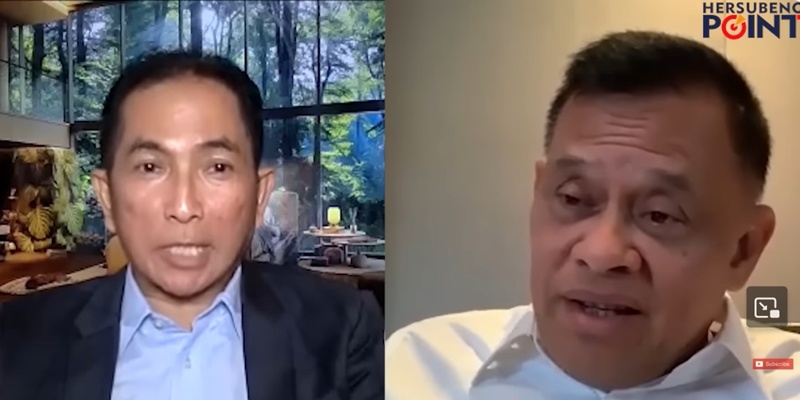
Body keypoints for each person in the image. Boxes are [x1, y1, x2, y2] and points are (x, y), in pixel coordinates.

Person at [386, 30, 800, 399]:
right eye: (573, 199)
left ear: (744, 249)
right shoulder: (413, 368)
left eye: (660, 215)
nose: (602, 254)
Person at [0, 51, 384, 400]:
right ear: (107, 197)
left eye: (217, 167)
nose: (184, 207)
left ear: (259, 196)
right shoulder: (16, 339)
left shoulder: (340, 329)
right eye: (150, 167)